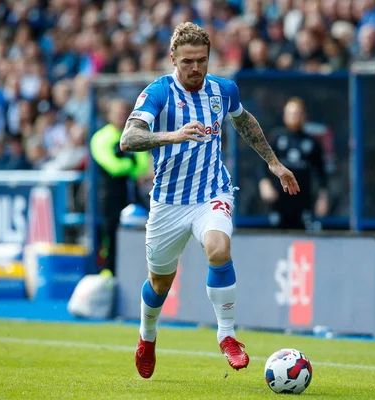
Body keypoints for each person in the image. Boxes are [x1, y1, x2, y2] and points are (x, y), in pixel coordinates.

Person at [119, 22, 300, 379]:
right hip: (169, 203)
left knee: (219, 248)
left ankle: (228, 336)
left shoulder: (223, 90)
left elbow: (244, 121)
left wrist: (275, 164)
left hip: (211, 193)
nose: (196, 68)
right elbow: (128, 139)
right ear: (173, 59)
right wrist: (173, 136)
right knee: (160, 285)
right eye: (187, 61)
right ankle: (147, 336)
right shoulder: (157, 93)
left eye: (202, 60)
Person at [91, 99, 151, 275]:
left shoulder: (134, 135)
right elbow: (113, 167)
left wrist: (129, 164)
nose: (121, 116)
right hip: (108, 196)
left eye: (125, 113)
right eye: (118, 113)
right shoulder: (101, 137)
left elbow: (142, 166)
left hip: (130, 194)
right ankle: (108, 272)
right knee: (110, 233)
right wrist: (130, 163)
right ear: (109, 114)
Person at [259, 97, 328, 230]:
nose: (294, 117)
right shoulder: (276, 138)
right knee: (275, 239)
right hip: (278, 200)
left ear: (304, 116)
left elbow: (321, 173)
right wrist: (264, 183)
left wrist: (322, 198)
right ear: (284, 116)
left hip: (303, 201)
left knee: (303, 240)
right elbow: (262, 164)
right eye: (290, 114)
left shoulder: (312, 143)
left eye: (297, 114)